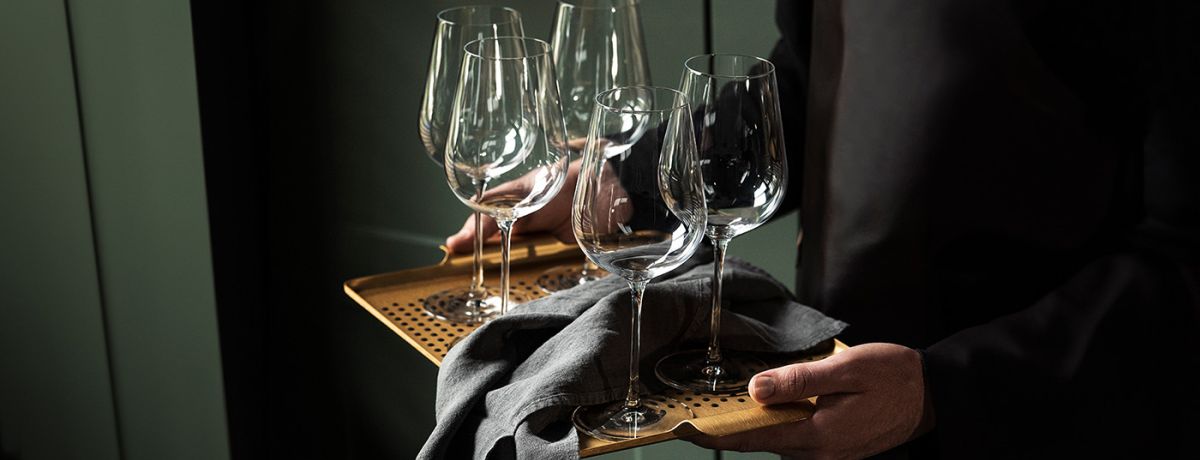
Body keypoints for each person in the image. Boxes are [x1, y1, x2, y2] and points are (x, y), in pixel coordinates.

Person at [446, 1, 1199, 457]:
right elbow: (809, 87)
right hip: (832, 396)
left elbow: (1191, 257)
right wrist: (628, 184)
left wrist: (945, 395)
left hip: (1045, 425)